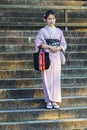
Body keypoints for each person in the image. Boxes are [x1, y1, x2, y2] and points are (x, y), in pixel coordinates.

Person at [34, 10, 67, 109]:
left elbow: (63, 44)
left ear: (55, 19)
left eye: (53, 18)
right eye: (49, 19)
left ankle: (55, 100)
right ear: (45, 20)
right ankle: (48, 100)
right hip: (46, 56)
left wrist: (59, 48)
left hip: (56, 56)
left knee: (56, 79)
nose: (51, 21)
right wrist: (49, 46)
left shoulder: (59, 31)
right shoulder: (42, 31)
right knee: (46, 78)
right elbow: (37, 44)